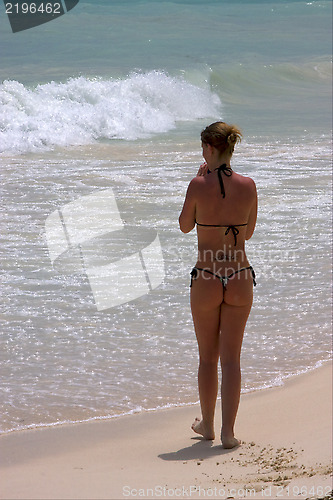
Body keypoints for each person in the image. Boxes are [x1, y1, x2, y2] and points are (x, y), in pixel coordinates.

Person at [179, 121, 257, 449]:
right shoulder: (249, 185)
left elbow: (184, 226)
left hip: (207, 278)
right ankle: (228, 433)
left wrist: (200, 181)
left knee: (207, 358)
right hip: (239, 276)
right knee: (232, 359)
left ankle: (208, 425)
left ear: (210, 149)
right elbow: (248, 232)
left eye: (202, 148)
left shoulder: (198, 185)